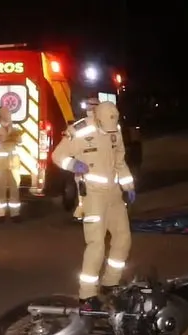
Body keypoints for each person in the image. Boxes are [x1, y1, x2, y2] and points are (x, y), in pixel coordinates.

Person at [52, 101, 135, 309]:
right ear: (97, 118)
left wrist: (128, 185)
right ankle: (87, 294)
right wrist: (73, 164)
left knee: (123, 238)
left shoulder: (114, 129)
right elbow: (57, 156)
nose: (109, 131)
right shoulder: (79, 131)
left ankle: (111, 281)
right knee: (96, 244)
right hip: (93, 196)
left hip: (114, 194)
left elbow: (120, 161)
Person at [0, 106, 23, 222]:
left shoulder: (16, 127)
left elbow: (21, 144)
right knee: (1, 190)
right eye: (6, 112)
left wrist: (17, 140)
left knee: (15, 189)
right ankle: (1, 215)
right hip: (0, 164)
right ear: (0, 114)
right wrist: (1, 143)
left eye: (9, 112)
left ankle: (15, 214)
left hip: (14, 164)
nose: (8, 114)